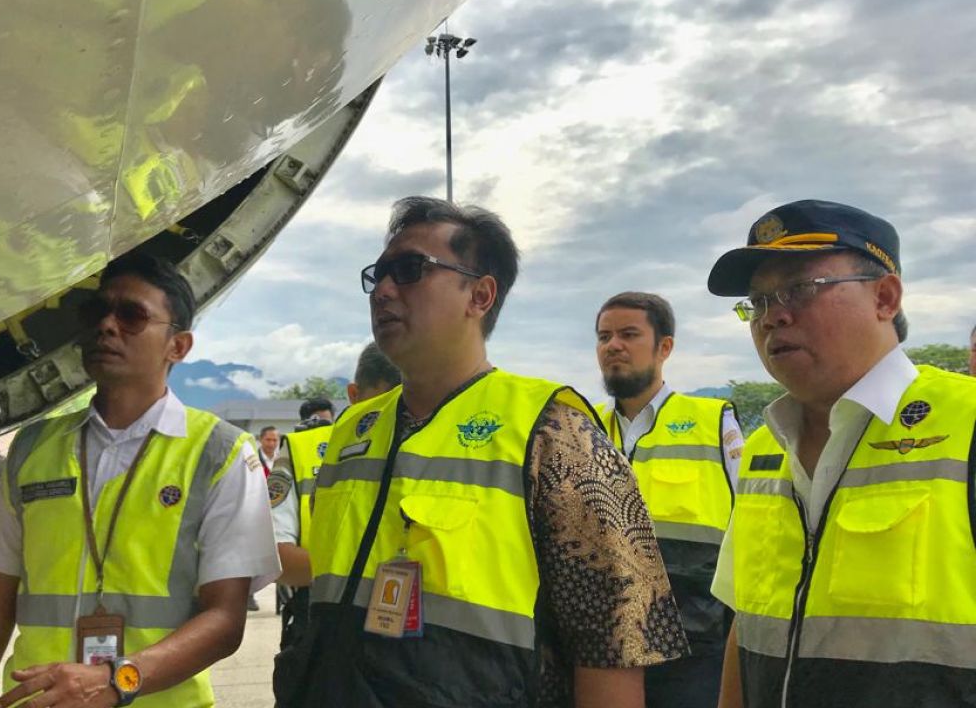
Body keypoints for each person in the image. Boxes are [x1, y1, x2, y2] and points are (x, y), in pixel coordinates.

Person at [275, 196, 687, 708]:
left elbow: (613, 642)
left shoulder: (554, 430)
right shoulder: (351, 431)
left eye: (409, 270)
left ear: (481, 295)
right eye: (377, 275)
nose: (382, 291)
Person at [0, 252, 280, 708]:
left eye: (132, 315)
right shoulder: (34, 448)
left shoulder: (221, 453)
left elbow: (225, 619)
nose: (107, 326)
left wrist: (119, 679)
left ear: (178, 346)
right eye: (96, 313)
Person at [706, 199, 976, 708]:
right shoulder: (765, 448)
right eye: (758, 302)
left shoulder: (966, 424)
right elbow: (748, 622)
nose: (772, 318)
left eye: (801, 289)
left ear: (885, 298)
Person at [594, 292, 744, 708]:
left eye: (628, 334)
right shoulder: (581, 428)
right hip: (600, 645)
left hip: (692, 646)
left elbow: (750, 525)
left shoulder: (713, 422)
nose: (613, 346)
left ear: (665, 347)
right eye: (604, 336)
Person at [269, 342, 402, 649]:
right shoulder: (305, 450)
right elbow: (273, 555)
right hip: (321, 628)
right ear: (354, 395)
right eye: (380, 405)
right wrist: (362, 577)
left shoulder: (432, 454)